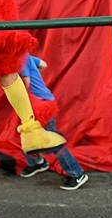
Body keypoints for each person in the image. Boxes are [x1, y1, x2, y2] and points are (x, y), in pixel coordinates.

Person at [18, 55, 88, 190]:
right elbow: (43, 65)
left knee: (53, 141)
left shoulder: (20, 58)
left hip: (41, 104)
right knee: (28, 132)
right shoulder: (26, 55)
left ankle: (77, 173)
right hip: (41, 100)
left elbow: (25, 84)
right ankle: (37, 163)